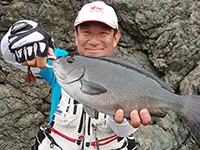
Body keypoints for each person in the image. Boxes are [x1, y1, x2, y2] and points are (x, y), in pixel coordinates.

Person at [1, 1, 151, 150]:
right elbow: (9, 54)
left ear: (116, 38)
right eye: (86, 32)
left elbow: (122, 131)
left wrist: (124, 121)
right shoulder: (61, 62)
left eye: (103, 33)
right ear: (75, 35)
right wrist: (26, 37)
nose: (93, 41)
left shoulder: (129, 76)